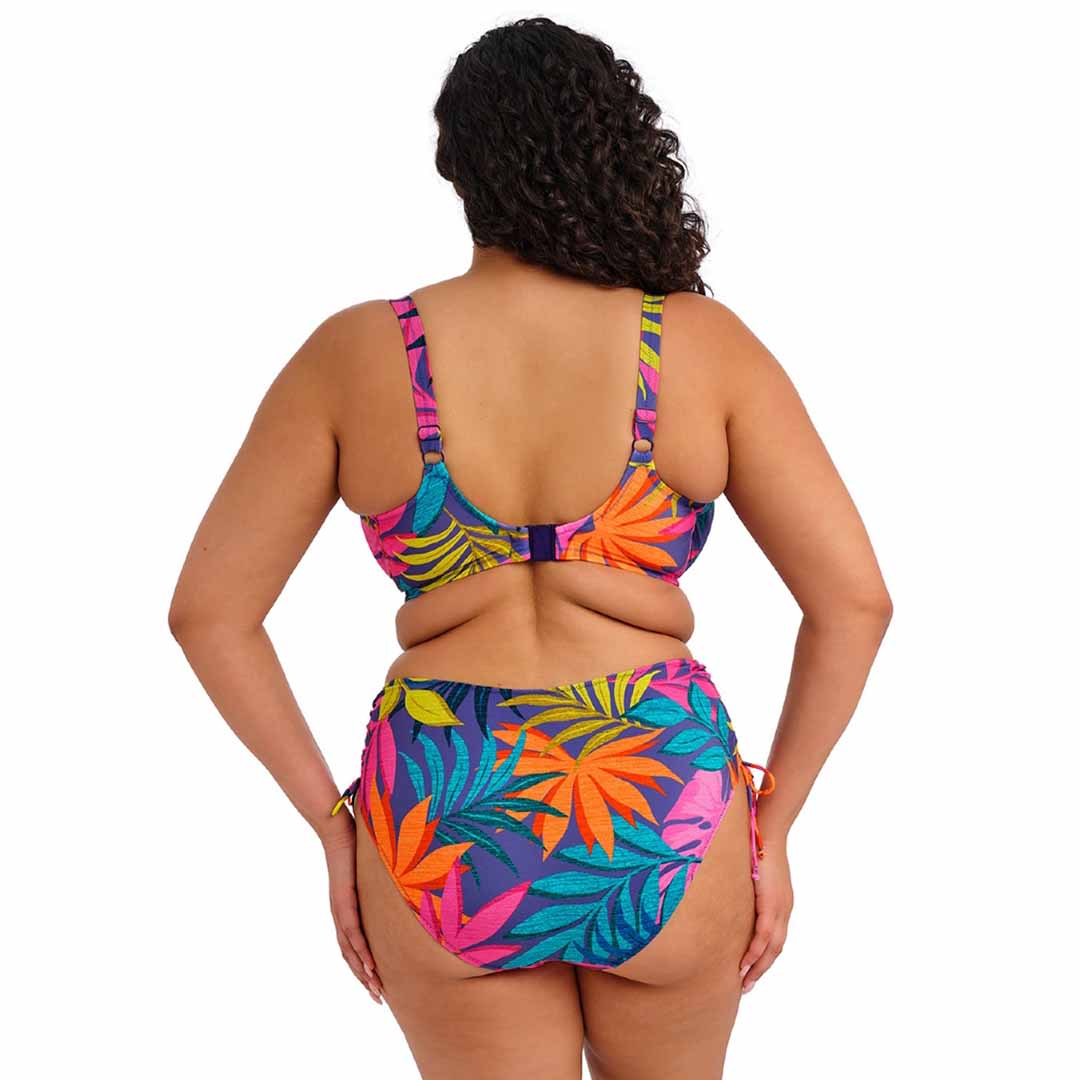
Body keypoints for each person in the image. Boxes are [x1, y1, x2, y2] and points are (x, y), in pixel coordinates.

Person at [168, 16, 892, 1079]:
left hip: (442, 805)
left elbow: (208, 613)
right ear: (618, 149)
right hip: (658, 786)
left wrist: (334, 825)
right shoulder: (697, 344)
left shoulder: (356, 353)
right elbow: (855, 602)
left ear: (455, 166)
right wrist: (774, 825)